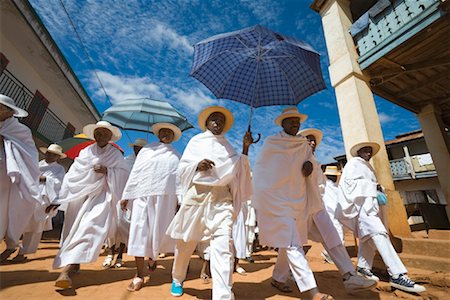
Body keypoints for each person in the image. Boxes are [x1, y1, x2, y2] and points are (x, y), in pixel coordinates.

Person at [166, 106, 253, 299]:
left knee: (223, 247)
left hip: (222, 201)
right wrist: (197, 165)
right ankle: (177, 278)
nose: (218, 123)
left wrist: (245, 148)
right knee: (185, 243)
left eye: (221, 120)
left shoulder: (229, 147)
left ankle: (222, 294)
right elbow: (181, 169)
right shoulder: (196, 141)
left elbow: (237, 171)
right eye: (214, 119)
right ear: (206, 122)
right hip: (197, 196)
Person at [253, 107, 332, 299]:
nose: (295, 124)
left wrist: (309, 166)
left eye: (298, 121)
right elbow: (262, 170)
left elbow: (312, 164)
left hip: (297, 201)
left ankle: (278, 279)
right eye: (291, 121)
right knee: (292, 243)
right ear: (282, 123)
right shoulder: (272, 142)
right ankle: (312, 291)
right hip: (276, 201)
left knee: (287, 242)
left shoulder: (304, 144)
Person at [337, 141, 426, 294]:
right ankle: (397, 274)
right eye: (365, 150)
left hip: (372, 208)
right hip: (362, 210)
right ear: (358, 152)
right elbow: (348, 185)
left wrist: (378, 188)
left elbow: (370, 185)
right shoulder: (353, 164)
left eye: (370, 151)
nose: (368, 153)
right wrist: (373, 187)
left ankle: (363, 268)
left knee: (367, 239)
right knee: (380, 235)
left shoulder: (369, 167)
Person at [52, 121, 128, 289]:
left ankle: (66, 270)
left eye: (104, 134)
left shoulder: (115, 155)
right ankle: (75, 262)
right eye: (98, 133)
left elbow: (123, 174)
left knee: (89, 227)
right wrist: (59, 199)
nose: (100, 136)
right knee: (74, 230)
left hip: (102, 196)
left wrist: (108, 171)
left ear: (110, 136)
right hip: (80, 197)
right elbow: (73, 174)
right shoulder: (85, 152)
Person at [298, 128, 375, 294]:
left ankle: (350, 277)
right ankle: (281, 275)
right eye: (307, 139)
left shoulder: (315, 162)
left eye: (313, 140)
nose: (312, 142)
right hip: (296, 210)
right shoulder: (291, 159)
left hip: (317, 208)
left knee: (332, 237)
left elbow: (319, 186)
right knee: (291, 245)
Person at [120, 123, 182, 292]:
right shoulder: (146, 151)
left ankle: (153, 257)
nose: (166, 134)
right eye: (163, 131)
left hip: (164, 199)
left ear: (173, 136)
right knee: (139, 232)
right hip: (142, 195)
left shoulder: (176, 156)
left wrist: (180, 201)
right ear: (158, 134)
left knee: (158, 233)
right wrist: (127, 195)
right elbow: (136, 173)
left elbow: (178, 180)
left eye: (170, 132)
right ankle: (139, 274)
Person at [0, 94, 41, 262]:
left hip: (11, 180)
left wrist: (6, 141)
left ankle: (11, 243)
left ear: (10, 112)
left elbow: (30, 155)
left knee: (7, 211)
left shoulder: (21, 130)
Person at [13, 144, 66, 262]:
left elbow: (60, 184)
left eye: (54, 154)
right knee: (18, 222)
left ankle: (22, 253)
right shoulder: (37, 164)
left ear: (58, 157)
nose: (51, 156)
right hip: (29, 196)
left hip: (44, 201)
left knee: (35, 227)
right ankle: (11, 246)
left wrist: (46, 179)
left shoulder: (59, 169)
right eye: (49, 153)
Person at [102, 138, 146, 269]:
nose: (138, 150)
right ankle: (110, 253)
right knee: (114, 223)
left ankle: (120, 255)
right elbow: (119, 176)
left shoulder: (147, 162)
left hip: (136, 199)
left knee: (126, 226)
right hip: (120, 196)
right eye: (136, 147)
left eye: (140, 148)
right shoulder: (126, 161)